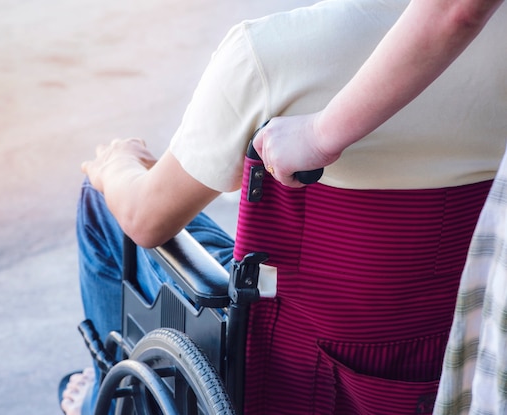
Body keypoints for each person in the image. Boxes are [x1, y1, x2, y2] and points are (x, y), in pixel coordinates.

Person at [62, 0, 507, 413]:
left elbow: (145, 218)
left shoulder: (269, 52)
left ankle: (104, 393)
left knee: (104, 204)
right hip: (457, 339)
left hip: (294, 369)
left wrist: (115, 163)